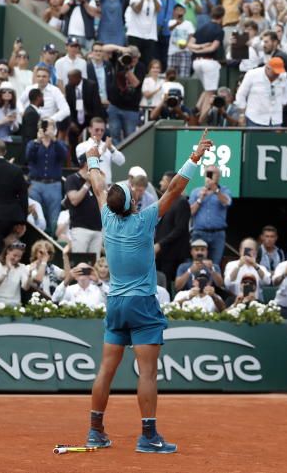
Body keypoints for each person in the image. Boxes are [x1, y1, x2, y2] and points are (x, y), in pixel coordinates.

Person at [82, 128, 213, 454]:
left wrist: (92, 153)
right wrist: (195, 156)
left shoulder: (106, 216)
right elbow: (176, 188)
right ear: (132, 202)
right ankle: (148, 436)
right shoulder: (144, 220)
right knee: (149, 372)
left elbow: (97, 182)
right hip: (141, 304)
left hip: (115, 304)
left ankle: (95, 431)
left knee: (106, 369)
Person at [188, 165, 231, 267]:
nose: (210, 176)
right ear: (204, 175)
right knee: (197, 263)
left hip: (218, 234)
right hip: (199, 233)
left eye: (213, 173)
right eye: (208, 173)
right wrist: (200, 198)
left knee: (215, 264)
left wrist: (215, 190)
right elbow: (190, 212)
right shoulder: (196, 192)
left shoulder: (224, 191)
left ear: (218, 176)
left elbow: (227, 202)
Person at [0, 235, 32, 305]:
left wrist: (30, 276)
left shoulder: (22, 267)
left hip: (13, 302)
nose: (17, 259)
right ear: (8, 251)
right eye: (14, 255)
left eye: (19, 256)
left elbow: (25, 287)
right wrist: (8, 269)